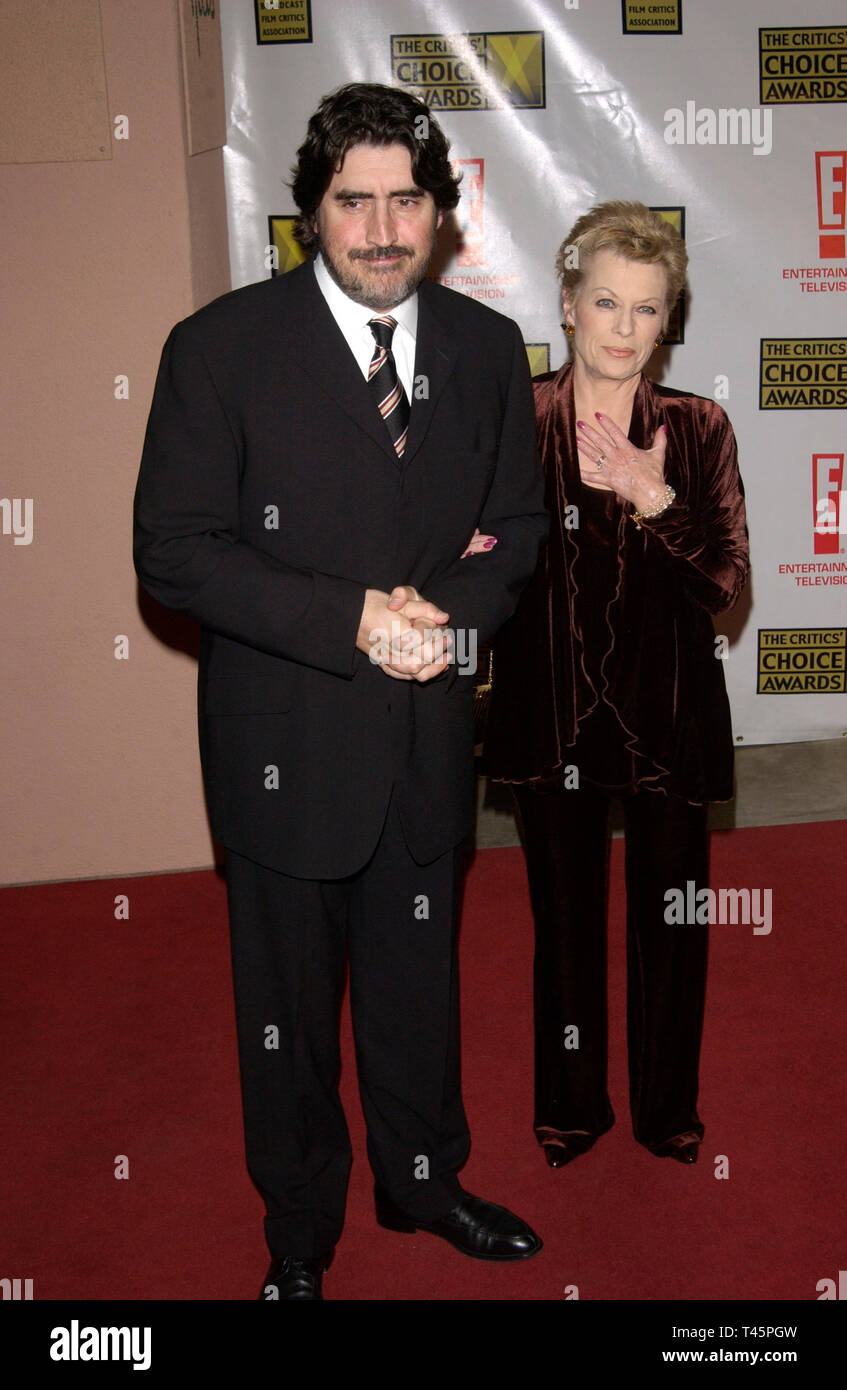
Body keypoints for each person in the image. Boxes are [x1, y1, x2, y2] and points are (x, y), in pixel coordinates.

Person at [133, 82, 547, 1299]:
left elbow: (514, 531)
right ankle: (300, 1231)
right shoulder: (218, 348)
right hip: (283, 742)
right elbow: (177, 548)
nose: (379, 229)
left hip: (423, 735)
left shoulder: (482, 350)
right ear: (311, 210)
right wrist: (354, 620)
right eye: (351, 201)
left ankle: (424, 1182)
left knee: (419, 987)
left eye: (404, 200)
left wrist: (449, 625)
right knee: (288, 1015)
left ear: (442, 208)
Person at [484, 201, 749, 1171]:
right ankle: (570, 1109)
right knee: (563, 930)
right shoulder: (519, 417)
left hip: (666, 721)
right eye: (606, 302)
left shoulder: (697, 427)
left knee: (673, 928)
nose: (624, 327)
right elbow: (485, 565)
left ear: (667, 319)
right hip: (553, 717)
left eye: (647, 308)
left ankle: (664, 1111)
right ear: (566, 303)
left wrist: (654, 498)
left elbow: (723, 583)